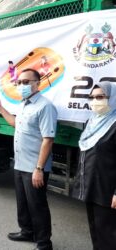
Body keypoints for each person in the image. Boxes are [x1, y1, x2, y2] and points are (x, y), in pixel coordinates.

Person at [0, 68, 57, 250]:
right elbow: (15, 123)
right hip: (20, 164)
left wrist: (39, 169)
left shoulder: (45, 106)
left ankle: (44, 243)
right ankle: (27, 231)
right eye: (19, 82)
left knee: (38, 205)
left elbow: (48, 139)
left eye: (26, 82)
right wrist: (0, 108)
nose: (22, 85)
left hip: (35, 167)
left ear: (38, 83)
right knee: (23, 202)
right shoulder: (23, 104)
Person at [72, 81, 116, 250]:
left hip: (107, 190)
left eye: (100, 97)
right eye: (92, 97)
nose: (95, 101)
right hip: (91, 185)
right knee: (95, 229)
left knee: (108, 233)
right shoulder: (92, 122)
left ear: (112, 99)